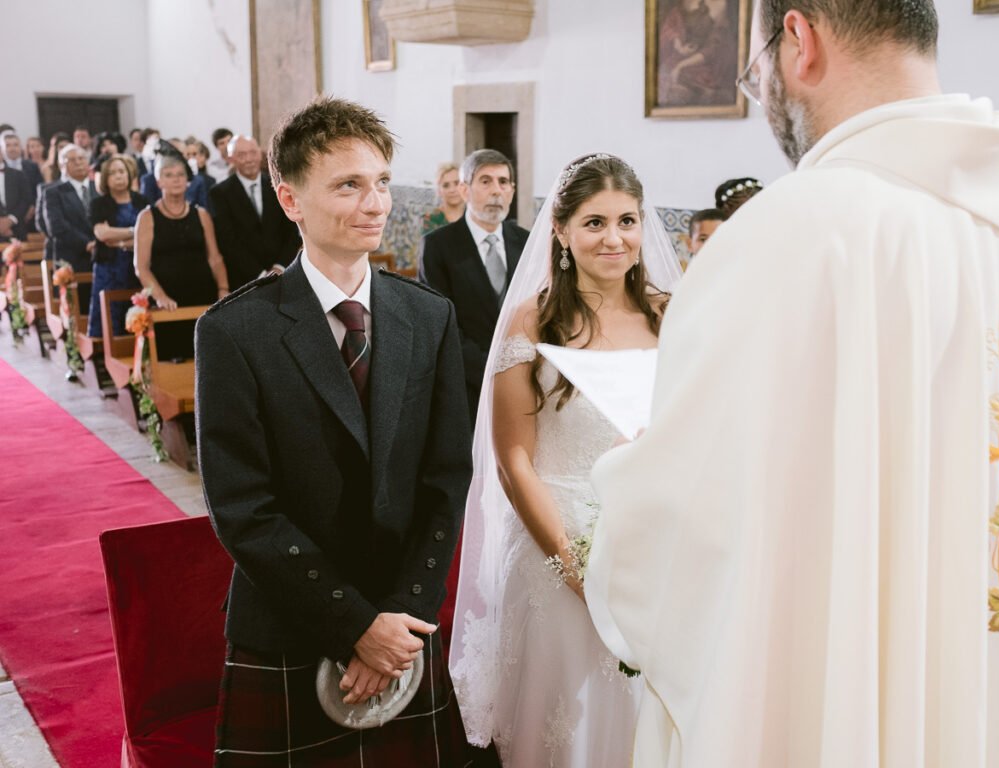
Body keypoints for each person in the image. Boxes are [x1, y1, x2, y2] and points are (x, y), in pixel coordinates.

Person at [585, 1, 999, 766]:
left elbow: (682, 533)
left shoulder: (784, 232)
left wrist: (635, 470)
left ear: (799, 40)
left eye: (756, 72)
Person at [195, 96, 487, 766]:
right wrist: (354, 624)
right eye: (349, 185)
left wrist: (403, 615)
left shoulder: (428, 316)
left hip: (404, 619)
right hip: (292, 618)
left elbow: (447, 479)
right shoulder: (235, 330)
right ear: (290, 199)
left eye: (382, 181)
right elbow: (243, 507)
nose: (375, 203)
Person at [450, 154, 683, 767]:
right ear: (561, 230)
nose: (614, 239)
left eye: (627, 221)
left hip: (651, 544)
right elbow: (513, 460)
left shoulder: (669, 314)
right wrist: (573, 564)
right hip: (552, 543)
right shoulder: (533, 320)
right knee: (568, 723)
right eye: (594, 223)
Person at [418, 149, 530, 424]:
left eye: (503, 182)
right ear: (464, 189)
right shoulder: (438, 246)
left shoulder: (525, 242)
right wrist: (491, 372)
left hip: (523, 381)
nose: (496, 191)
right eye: (485, 181)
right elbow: (441, 324)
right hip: (465, 386)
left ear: (512, 190)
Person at [135, 152, 227, 360]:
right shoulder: (147, 217)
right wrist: (160, 297)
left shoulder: (201, 214)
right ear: (159, 181)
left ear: (187, 180)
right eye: (168, 175)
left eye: (180, 174)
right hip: (168, 302)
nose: (176, 179)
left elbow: (215, 258)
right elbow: (141, 266)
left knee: (206, 358)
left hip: (203, 296)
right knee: (172, 360)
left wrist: (223, 289)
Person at [209, 135, 300, 289]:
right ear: (231, 159)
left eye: (253, 153)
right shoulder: (219, 193)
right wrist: (261, 275)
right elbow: (227, 241)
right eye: (242, 155)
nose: (249, 159)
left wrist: (279, 267)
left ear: (260, 154)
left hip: (284, 274)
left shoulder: (279, 187)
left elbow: (292, 231)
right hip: (243, 280)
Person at [89, 154, 145, 339]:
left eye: (121, 171)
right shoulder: (99, 203)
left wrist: (120, 241)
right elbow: (103, 234)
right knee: (109, 315)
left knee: (137, 311)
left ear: (129, 174)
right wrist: (134, 231)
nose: (118, 176)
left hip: (138, 265)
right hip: (109, 268)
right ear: (105, 178)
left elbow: (148, 234)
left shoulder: (142, 201)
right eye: (112, 173)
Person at [42, 145, 96, 272]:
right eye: (72, 160)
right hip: (71, 257)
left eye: (81, 158)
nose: (78, 163)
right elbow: (57, 226)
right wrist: (86, 244)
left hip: (101, 254)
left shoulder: (99, 187)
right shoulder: (53, 192)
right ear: (62, 166)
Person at [421, 161, 465, 236]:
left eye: (456, 183)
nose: (452, 190)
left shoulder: (474, 218)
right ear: (439, 191)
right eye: (446, 185)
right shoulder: (430, 219)